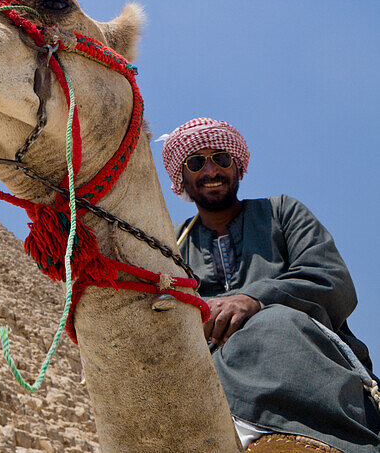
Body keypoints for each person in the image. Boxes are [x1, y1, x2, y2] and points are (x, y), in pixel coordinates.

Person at [161, 118, 380, 452]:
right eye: (196, 163)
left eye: (221, 158)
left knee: (274, 324)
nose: (210, 171)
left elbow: (331, 279)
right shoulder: (170, 245)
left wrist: (255, 300)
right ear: (182, 177)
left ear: (237, 166)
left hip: (294, 353)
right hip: (203, 371)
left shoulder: (281, 212)